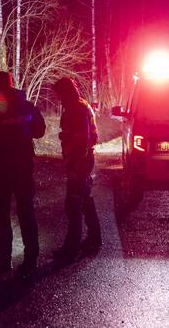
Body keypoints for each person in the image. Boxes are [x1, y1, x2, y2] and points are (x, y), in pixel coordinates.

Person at [0, 71, 45, 279]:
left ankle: (4, 259)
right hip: (23, 166)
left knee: (1, 213)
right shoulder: (27, 105)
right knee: (26, 211)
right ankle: (31, 258)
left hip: (3, 167)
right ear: (12, 84)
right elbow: (40, 130)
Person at [51, 77, 102, 261]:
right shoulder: (82, 106)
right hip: (84, 160)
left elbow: (81, 139)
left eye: (59, 94)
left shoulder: (76, 109)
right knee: (86, 200)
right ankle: (94, 239)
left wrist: (73, 165)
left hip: (79, 162)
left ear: (65, 92)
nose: (58, 98)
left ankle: (71, 249)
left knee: (73, 205)